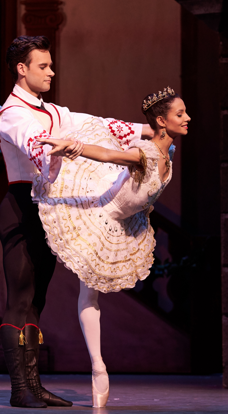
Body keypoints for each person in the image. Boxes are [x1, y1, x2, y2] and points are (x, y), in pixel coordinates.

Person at [0, 35, 154, 409]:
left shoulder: (54, 111)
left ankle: (34, 387)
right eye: (43, 66)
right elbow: (33, 142)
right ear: (22, 70)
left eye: (51, 65)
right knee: (20, 299)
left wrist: (149, 131)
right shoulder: (13, 114)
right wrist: (59, 145)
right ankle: (19, 389)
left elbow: (101, 124)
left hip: (48, 210)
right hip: (22, 207)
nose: (51, 71)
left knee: (37, 301)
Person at [31, 87, 189, 408]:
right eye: (180, 114)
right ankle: (98, 367)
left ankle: (98, 368)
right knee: (88, 293)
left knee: (92, 293)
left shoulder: (166, 152)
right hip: (99, 210)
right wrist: (71, 145)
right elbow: (106, 154)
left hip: (124, 218)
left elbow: (142, 169)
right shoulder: (145, 153)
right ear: (162, 121)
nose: (188, 118)